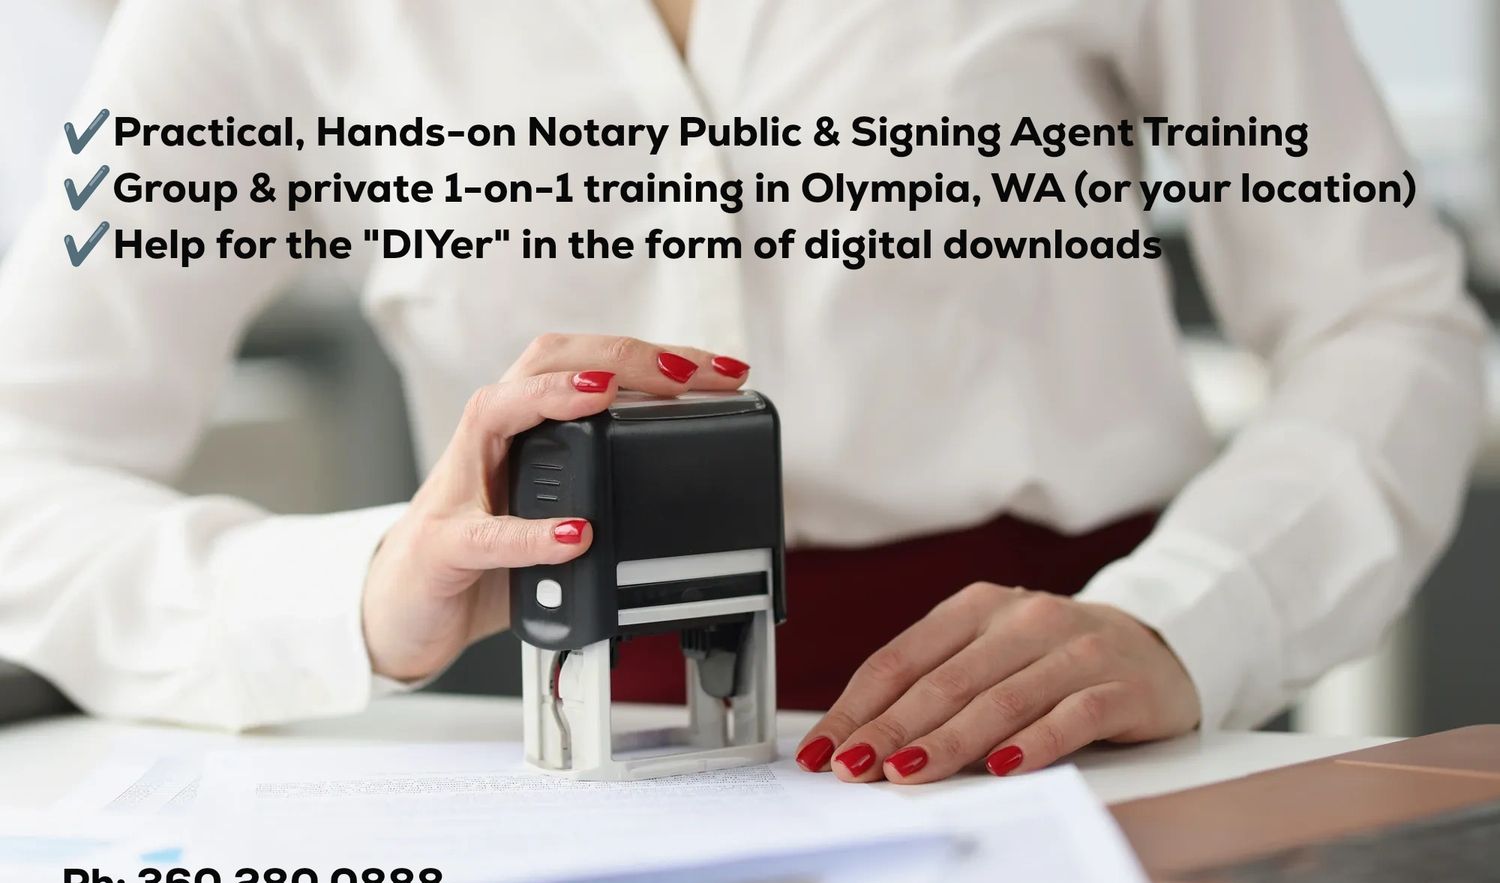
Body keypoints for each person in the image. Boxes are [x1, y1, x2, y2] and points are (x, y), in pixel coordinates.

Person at [0, 0, 1485, 786]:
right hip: (547, 772)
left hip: (1078, 749)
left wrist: (1194, 613)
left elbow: (1387, 316)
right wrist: (357, 592)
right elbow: (22, 464)